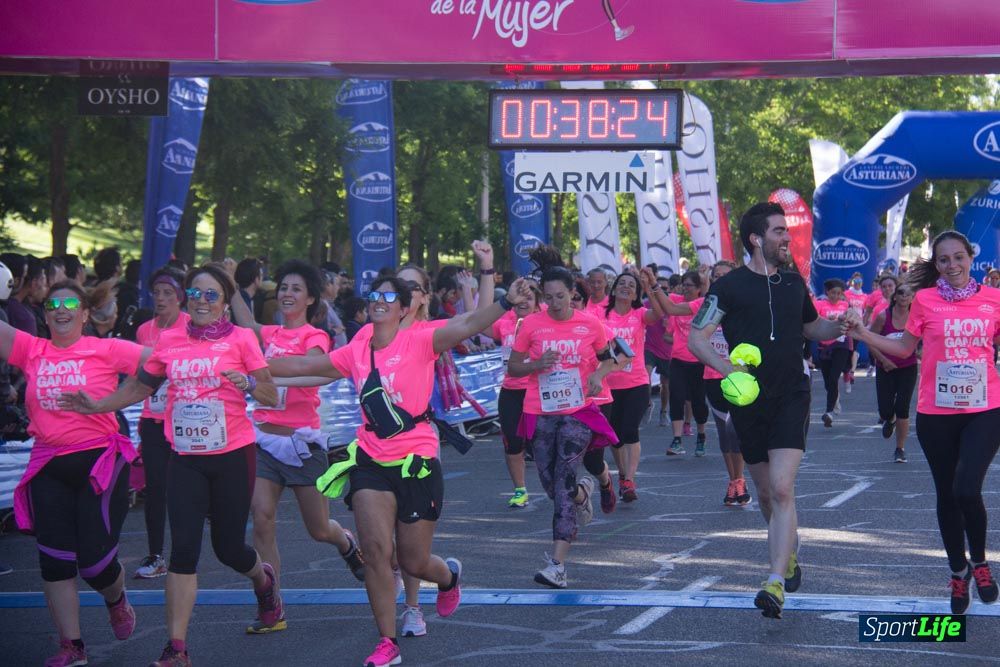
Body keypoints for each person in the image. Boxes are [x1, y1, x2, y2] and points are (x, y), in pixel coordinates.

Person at [268, 274, 529, 667]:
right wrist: (249, 365)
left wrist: (505, 302)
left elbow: (468, 323)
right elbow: (308, 365)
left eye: (389, 295)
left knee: (413, 561)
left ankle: (448, 577)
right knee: (376, 552)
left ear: (404, 308)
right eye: (374, 294)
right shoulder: (358, 348)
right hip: (370, 457)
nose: (379, 299)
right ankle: (387, 642)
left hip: (417, 459)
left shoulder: (422, 338)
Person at [60, 263, 282, 667]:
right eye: (195, 293)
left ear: (224, 302)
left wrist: (248, 383)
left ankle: (264, 583)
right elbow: (140, 386)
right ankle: (176, 647)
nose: (201, 300)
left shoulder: (242, 340)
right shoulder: (169, 340)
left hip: (233, 456)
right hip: (185, 459)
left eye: (211, 294)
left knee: (229, 548)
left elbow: (271, 394)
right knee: (183, 552)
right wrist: (98, 405)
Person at [688, 202, 853, 619]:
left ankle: (774, 581)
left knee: (782, 487)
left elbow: (811, 328)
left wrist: (842, 325)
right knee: (764, 493)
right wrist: (730, 373)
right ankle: (789, 555)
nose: (788, 238)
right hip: (748, 400)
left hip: (791, 395)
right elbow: (697, 339)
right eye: (780, 231)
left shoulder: (794, 283)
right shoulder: (727, 288)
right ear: (757, 239)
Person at [849, 230, 1000, 615]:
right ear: (936, 265)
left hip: (985, 410)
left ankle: (979, 562)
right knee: (947, 495)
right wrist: (864, 333)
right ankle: (956, 570)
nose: (952, 265)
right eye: (944, 260)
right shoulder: (925, 301)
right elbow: (903, 347)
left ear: (971, 258)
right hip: (936, 413)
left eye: (958, 257)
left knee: (967, 488)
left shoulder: (994, 300)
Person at [5, 280, 145, 667]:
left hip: (99, 461)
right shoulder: (32, 349)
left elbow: (158, 365)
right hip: (48, 464)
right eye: (53, 304)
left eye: (70, 303)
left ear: (85, 313)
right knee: (54, 561)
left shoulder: (106, 348)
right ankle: (72, 646)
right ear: (45, 313)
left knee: (95, 564)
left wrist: (108, 402)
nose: (60, 310)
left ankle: (116, 598)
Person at [230, 259, 365, 634]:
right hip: (263, 439)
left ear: (309, 299)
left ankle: (347, 543)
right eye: (283, 288)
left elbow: (315, 364)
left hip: (302, 442)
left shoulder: (313, 336)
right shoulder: (268, 333)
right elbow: (246, 322)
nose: (287, 294)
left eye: (295, 289)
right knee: (261, 518)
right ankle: (271, 604)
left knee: (319, 529)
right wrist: (229, 284)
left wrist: (268, 367)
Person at [508, 266, 618, 589]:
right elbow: (514, 366)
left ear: (573, 293)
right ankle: (584, 493)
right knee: (550, 482)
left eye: (561, 296)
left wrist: (598, 375)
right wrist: (534, 365)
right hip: (539, 410)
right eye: (549, 297)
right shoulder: (530, 325)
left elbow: (613, 356)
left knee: (563, 476)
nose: (555, 303)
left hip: (578, 410)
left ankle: (557, 564)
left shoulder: (590, 323)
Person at [133, 267, 190, 580]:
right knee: (155, 489)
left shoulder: (190, 326)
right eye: (156, 293)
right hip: (152, 420)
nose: (161, 298)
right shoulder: (144, 331)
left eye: (168, 293)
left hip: (185, 419)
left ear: (179, 297)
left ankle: (183, 553)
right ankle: (156, 554)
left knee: (182, 488)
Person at [597, 268, 668, 502]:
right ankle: (622, 474)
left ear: (636, 293)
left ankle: (629, 479)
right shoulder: (600, 315)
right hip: (609, 383)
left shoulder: (639, 314)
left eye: (632, 285)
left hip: (637, 382)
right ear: (614, 288)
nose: (626, 287)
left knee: (630, 430)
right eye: (622, 283)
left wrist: (650, 287)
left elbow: (658, 314)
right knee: (615, 435)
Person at [492, 282, 543, 508]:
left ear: (537, 303)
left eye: (529, 298)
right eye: (520, 297)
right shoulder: (504, 324)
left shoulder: (544, 324)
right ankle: (520, 490)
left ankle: (561, 485)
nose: (523, 302)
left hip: (538, 390)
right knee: (513, 442)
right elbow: (477, 321)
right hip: (511, 391)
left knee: (544, 442)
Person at [866, 282, 917, 463]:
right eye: (901, 293)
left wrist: (921, 353)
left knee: (903, 407)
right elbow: (869, 340)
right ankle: (890, 418)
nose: (904, 297)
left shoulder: (916, 317)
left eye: (909, 294)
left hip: (908, 367)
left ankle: (900, 448)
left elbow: (926, 339)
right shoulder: (883, 317)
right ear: (894, 296)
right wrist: (883, 360)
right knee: (886, 410)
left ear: (912, 298)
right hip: (886, 368)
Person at [665, 270, 708, 455]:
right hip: (678, 359)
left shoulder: (701, 305)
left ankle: (701, 435)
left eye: (689, 285)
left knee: (698, 401)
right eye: (684, 284)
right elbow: (668, 334)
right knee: (677, 397)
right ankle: (677, 440)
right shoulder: (676, 303)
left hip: (699, 360)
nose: (685, 288)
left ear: (699, 288)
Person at [815, 278, 852, 428]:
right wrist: (825, 319)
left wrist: (844, 319)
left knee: (833, 378)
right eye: (833, 293)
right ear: (827, 293)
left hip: (840, 344)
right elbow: (813, 321)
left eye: (838, 293)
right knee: (828, 382)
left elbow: (851, 321)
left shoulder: (845, 305)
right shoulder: (819, 304)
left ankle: (828, 412)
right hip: (824, 345)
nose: (835, 296)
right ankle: (835, 400)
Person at [644, 274, 673, 427]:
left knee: (665, 384)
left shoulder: (672, 306)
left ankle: (663, 411)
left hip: (666, 349)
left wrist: (669, 325)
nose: (660, 290)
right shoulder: (645, 304)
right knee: (645, 375)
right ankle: (647, 404)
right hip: (649, 347)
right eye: (657, 287)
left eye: (664, 288)